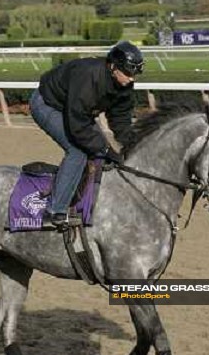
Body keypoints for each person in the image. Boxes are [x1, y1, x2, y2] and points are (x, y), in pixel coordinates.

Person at [29, 40, 144, 228]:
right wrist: (106, 149)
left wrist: (130, 144)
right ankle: (53, 211)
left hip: (78, 112)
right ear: (113, 66)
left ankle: (86, 200)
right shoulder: (89, 76)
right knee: (78, 151)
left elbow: (120, 119)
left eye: (136, 74)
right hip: (47, 104)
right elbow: (78, 127)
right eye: (128, 73)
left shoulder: (124, 85)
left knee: (102, 153)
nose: (132, 79)